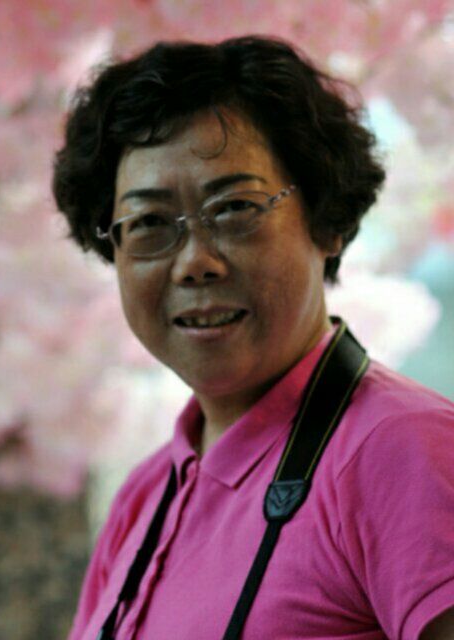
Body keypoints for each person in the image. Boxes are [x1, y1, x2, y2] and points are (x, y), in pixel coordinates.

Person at [52, 35, 454, 640]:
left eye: (235, 208)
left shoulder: (400, 450)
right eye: (149, 222)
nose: (194, 262)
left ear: (327, 220)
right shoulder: (145, 497)